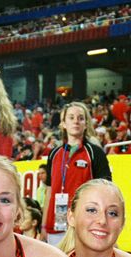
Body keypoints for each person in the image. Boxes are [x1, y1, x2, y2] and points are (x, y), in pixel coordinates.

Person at [43, 102, 111, 246]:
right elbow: (49, 191)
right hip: (55, 225)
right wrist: (43, 226)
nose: (76, 121)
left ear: (86, 124)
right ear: (63, 124)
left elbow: (106, 192)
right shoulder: (54, 154)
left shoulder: (95, 153)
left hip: (83, 225)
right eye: (71, 117)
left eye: (80, 118)